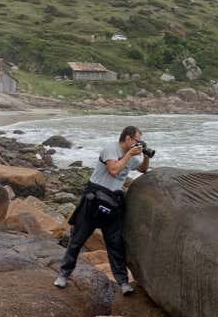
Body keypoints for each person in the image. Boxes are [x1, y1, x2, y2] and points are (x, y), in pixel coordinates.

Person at [54, 126, 150, 295]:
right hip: (94, 198)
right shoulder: (110, 149)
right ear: (128, 139)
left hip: (113, 201)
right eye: (136, 140)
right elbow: (113, 170)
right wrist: (129, 155)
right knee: (78, 239)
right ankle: (63, 274)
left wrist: (146, 156)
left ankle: (123, 283)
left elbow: (142, 169)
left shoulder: (133, 155)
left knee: (115, 244)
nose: (138, 143)